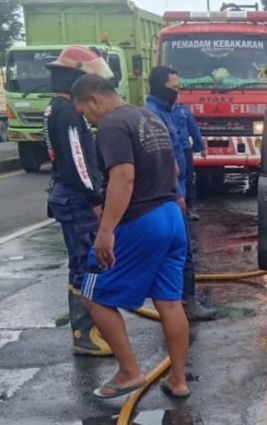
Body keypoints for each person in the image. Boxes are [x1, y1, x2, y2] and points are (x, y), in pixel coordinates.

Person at [71, 74, 191, 399]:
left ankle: (129, 372)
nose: (88, 120)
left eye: (84, 112)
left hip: (142, 220)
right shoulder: (149, 118)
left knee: (94, 296)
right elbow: (176, 171)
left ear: (94, 98)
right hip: (171, 216)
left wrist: (106, 230)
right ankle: (178, 381)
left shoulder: (112, 125)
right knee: (169, 302)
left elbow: (123, 177)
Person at [43, 46, 114, 356]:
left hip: (68, 196)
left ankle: (86, 329)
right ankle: (85, 333)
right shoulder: (70, 112)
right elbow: (78, 160)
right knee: (86, 265)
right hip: (77, 200)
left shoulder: (55, 108)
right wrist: (96, 197)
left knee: (81, 263)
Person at [146, 66, 216, 321]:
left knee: (177, 250)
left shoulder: (170, 111)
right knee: (181, 250)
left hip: (177, 191)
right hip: (169, 196)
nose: (178, 92)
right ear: (160, 87)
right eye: (174, 88)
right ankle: (185, 303)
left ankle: (180, 301)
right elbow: (164, 163)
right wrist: (177, 194)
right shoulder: (154, 116)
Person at [171, 102, 206, 221]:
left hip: (185, 148)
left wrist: (201, 147)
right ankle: (175, 208)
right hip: (169, 149)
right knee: (171, 178)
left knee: (189, 178)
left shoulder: (183, 109)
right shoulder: (161, 111)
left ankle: (190, 208)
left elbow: (193, 128)